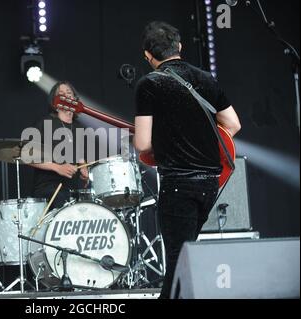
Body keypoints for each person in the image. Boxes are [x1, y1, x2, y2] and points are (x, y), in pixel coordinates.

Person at [133, 21, 241, 299]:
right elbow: (233, 124)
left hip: (179, 186)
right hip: (209, 186)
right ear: (179, 47)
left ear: (148, 55)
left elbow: (143, 144)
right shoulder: (207, 78)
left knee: (177, 265)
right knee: (184, 260)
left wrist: (168, 140)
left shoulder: (149, 84)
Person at [29, 81, 89, 209]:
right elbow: (26, 156)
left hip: (72, 190)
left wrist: (83, 168)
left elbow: (77, 153)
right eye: (61, 94)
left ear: (75, 99)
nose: (66, 96)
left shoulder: (78, 127)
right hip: (49, 189)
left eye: (69, 93)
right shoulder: (46, 123)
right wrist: (57, 167)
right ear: (55, 102)